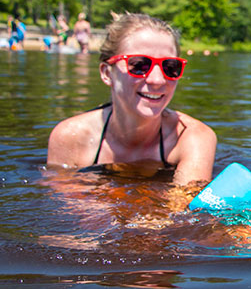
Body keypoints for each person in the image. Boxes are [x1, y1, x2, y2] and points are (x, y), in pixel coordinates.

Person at [47, 13, 217, 185]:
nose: (157, 80)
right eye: (139, 65)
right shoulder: (70, 138)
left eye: (170, 67)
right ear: (107, 73)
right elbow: (66, 208)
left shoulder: (192, 138)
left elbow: (181, 208)